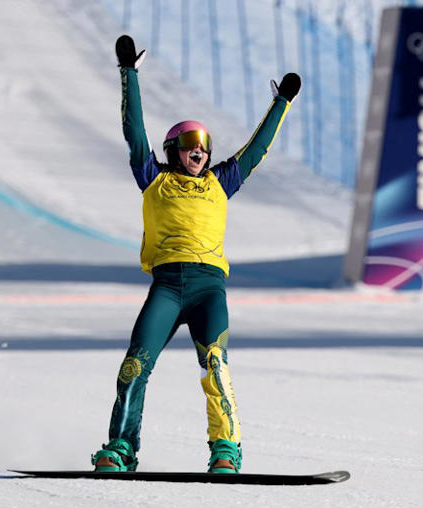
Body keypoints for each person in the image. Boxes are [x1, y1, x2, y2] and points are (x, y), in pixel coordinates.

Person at [91, 35, 300, 474]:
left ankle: (225, 449)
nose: (199, 149)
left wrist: (281, 101)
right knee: (134, 365)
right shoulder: (153, 178)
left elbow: (256, 149)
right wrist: (128, 74)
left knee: (216, 369)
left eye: (203, 142)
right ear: (173, 150)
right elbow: (134, 132)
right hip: (167, 287)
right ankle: (120, 448)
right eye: (189, 142)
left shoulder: (221, 182)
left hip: (208, 288)